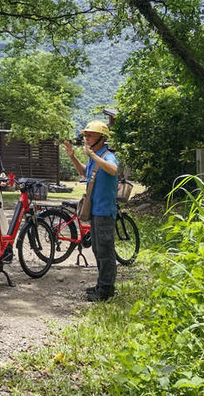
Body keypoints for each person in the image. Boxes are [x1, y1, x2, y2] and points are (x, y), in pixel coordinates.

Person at [63, 120, 119, 302]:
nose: (86, 138)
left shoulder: (107, 156)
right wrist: (72, 156)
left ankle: (106, 289)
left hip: (104, 210)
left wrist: (93, 156)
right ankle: (102, 284)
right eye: (85, 135)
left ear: (101, 138)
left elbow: (113, 169)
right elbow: (84, 173)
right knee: (97, 248)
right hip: (95, 210)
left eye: (90, 135)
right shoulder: (94, 156)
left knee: (105, 250)